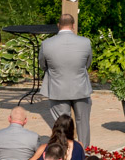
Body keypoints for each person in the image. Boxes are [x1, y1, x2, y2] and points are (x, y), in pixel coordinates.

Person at [38, 14, 94, 144]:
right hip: (80, 87)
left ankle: (65, 149)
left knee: (63, 123)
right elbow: (88, 64)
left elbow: (42, 65)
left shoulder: (46, 44)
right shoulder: (85, 42)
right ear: (74, 26)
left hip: (58, 89)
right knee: (83, 122)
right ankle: (83, 151)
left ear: (58, 26)